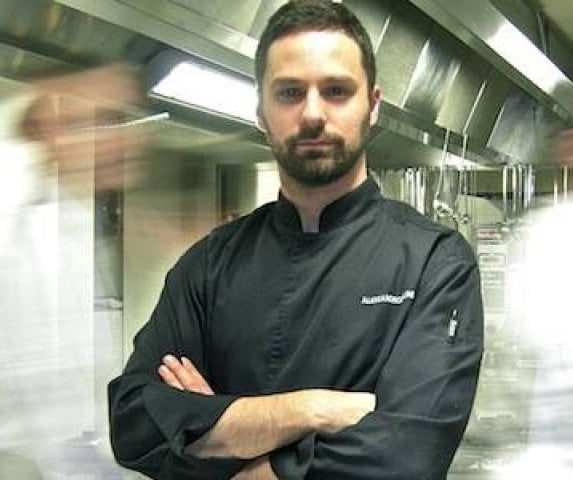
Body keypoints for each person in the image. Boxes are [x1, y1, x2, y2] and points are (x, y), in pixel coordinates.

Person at [108, 1, 484, 478]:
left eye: (336, 91)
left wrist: (219, 436)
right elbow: (134, 420)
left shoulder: (436, 262)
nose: (312, 114)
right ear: (260, 111)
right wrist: (312, 410)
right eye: (289, 92)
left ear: (373, 105)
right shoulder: (208, 265)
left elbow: (406, 456)